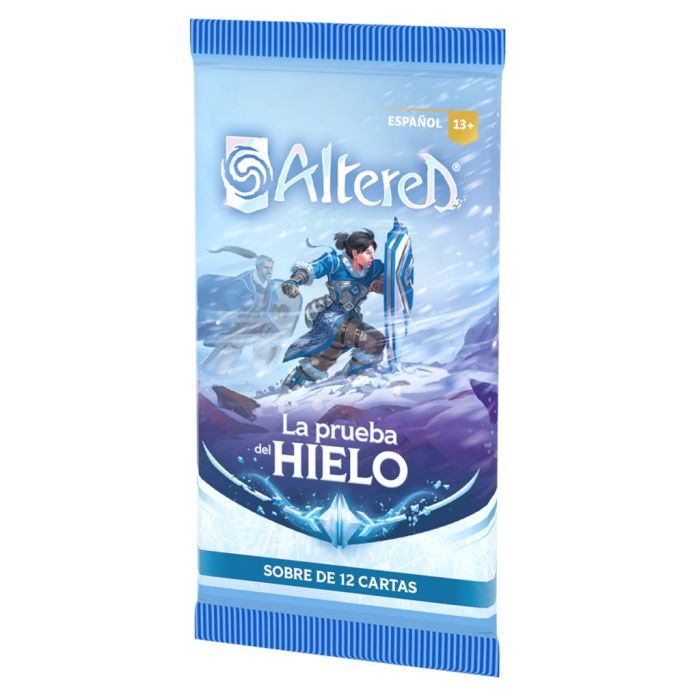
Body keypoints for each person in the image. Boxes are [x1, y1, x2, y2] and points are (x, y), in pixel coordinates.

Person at [281, 229, 385, 388]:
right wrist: (294, 281)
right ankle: (356, 379)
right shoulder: (335, 262)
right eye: (368, 253)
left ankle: (298, 379)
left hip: (351, 318)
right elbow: (311, 269)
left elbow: (390, 278)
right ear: (355, 253)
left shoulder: (373, 268)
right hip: (332, 317)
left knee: (326, 357)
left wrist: (381, 284)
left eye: (373, 253)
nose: (372, 257)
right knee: (373, 341)